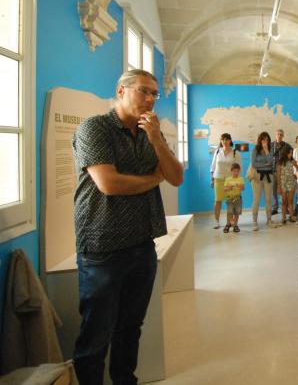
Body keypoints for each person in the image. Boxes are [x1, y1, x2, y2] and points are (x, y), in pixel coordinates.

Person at [71, 69, 183, 384]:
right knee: (96, 335)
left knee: (130, 328)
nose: (150, 99)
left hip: (142, 242)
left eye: (154, 94)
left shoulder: (150, 132)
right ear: (121, 91)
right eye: (143, 91)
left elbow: (175, 177)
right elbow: (109, 184)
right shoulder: (95, 128)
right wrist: (153, 179)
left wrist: (156, 139)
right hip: (102, 245)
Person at [210, 133, 241, 228]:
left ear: (230, 141)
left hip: (230, 180)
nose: (225, 141)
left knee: (230, 202)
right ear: (221, 141)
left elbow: (239, 168)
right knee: (217, 201)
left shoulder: (235, 152)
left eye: (227, 139)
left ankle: (230, 221)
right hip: (218, 179)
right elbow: (213, 166)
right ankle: (216, 221)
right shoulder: (217, 151)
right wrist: (212, 179)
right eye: (223, 139)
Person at [250, 131, 276, 230]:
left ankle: (269, 219)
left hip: (268, 176)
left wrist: (266, 150)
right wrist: (265, 164)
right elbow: (253, 164)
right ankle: (254, 221)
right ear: (260, 140)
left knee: (268, 199)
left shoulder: (270, 149)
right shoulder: (255, 150)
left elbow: (271, 162)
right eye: (263, 139)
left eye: (267, 140)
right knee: (256, 199)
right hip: (257, 176)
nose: (265, 141)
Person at [277, 145, 298, 224]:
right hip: (283, 183)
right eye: (289, 153)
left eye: (291, 153)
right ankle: (283, 218)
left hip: (291, 182)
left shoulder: (292, 161)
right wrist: (279, 186)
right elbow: (278, 175)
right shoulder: (280, 162)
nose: (291, 155)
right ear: (285, 153)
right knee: (284, 201)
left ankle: (291, 216)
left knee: (290, 200)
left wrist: (296, 175)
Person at [271, 129, 290, 216]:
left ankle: (286, 208)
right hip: (273, 170)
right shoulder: (271, 145)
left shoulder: (286, 145)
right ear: (275, 135)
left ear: (283, 136)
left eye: (281, 134)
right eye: (278, 134)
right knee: (273, 190)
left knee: (284, 190)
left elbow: (290, 156)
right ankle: (275, 207)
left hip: (283, 171)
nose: (279, 136)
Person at [223, 163, 245, 233]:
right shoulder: (228, 179)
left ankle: (235, 225)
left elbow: (243, 188)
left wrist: (240, 186)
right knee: (229, 212)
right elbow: (224, 189)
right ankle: (228, 224)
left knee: (236, 213)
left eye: (237, 171)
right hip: (230, 198)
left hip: (238, 198)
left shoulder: (240, 179)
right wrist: (228, 188)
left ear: (239, 171)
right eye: (234, 171)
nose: (236, 173)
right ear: (231, 171)